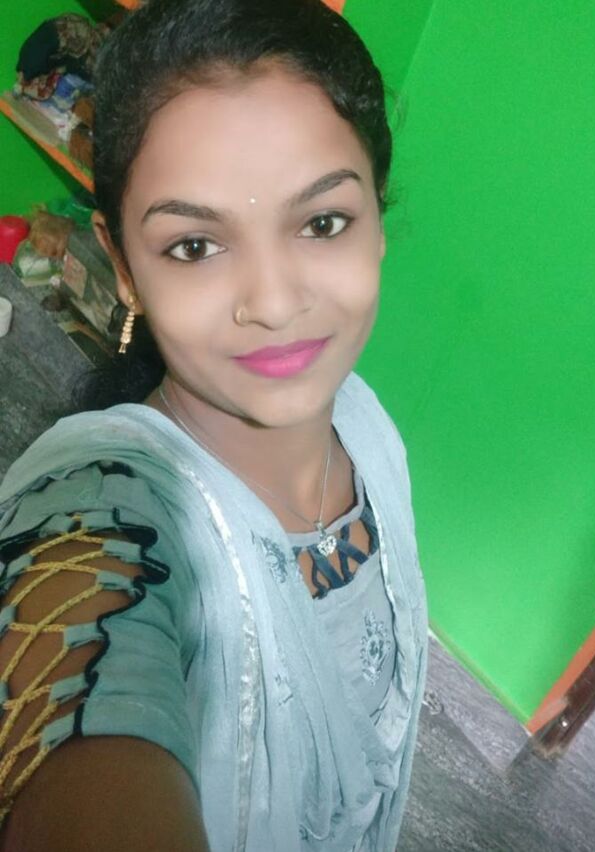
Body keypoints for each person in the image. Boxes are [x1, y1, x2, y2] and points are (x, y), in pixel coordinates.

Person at [0, 0, 428, 849]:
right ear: (124, 266)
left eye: (322, 223)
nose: (273, 302)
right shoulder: (99, 516)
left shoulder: (366, 423)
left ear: (377, 223)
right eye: (194, 245)